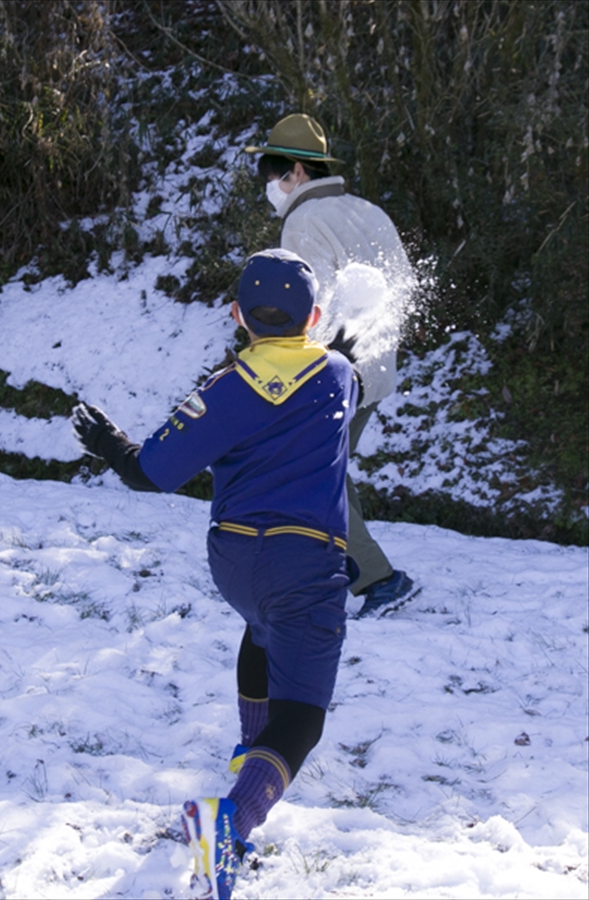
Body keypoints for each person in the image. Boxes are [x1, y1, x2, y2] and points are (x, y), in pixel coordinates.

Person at [71, 249, 359, 900]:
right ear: (313, 317)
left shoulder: (225, 387)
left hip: (233, 558)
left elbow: (151, 472)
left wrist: (110, 442)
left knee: (261, 631)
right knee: (303, 719)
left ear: (237, 316)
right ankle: (229, 822)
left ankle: (245, 758)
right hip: (304, 562)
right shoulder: (337, 373)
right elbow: (330, 374)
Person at [245, 114, 417, 618]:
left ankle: (379, 580)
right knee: (327, 470)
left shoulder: (303, 222)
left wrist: (292, 371)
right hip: (373, 368)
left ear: (296, 171)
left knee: (315, 474)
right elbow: (404, 287)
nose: (268, 184)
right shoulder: (368, 211)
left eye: (270, 170)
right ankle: (341, 569)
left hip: (334, 372)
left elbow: (307, 309)